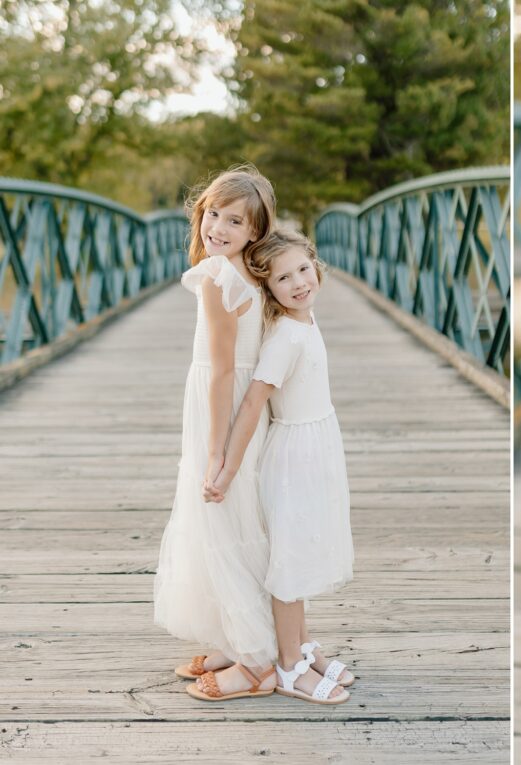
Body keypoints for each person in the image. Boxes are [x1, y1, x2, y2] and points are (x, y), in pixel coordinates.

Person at [203, 228, 355, 704]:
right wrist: (225, 467)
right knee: (290, 558)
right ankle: (289, 667)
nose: (298, 283)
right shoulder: (286, 335)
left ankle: (301, 646)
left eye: (303, 270)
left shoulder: (306, 320)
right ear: (268, 290)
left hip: (318, 445)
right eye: (283, 279)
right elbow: (251, 403)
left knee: (305, 550)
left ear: (317, 267)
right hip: (293, 456)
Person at [153, 165, 279, 700]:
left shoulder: (216, 279)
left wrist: (214, 452)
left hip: (221, 407)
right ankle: (236, 636)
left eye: (234, 221)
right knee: (237, 516)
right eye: (211, 214)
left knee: (220, 516)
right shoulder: (243, 273)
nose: (217, 227)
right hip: (238, 400)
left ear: (255, 232)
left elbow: (223, 371)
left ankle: (255, 662)